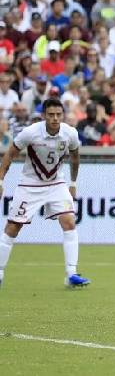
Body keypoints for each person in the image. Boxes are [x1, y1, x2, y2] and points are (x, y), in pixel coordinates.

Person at [0, 99, 90, 288]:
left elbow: (75, 158)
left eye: (58, 114)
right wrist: (1, 180)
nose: (55, 118)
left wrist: (73, 183)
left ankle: (71, 274)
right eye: (51, 115)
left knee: (69, 221)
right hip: (30, 185)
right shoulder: (30, 133)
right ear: (44, 116)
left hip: (57, 183)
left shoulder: (70, 133)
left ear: (62, 115)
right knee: (13, 227)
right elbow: (10, 153)